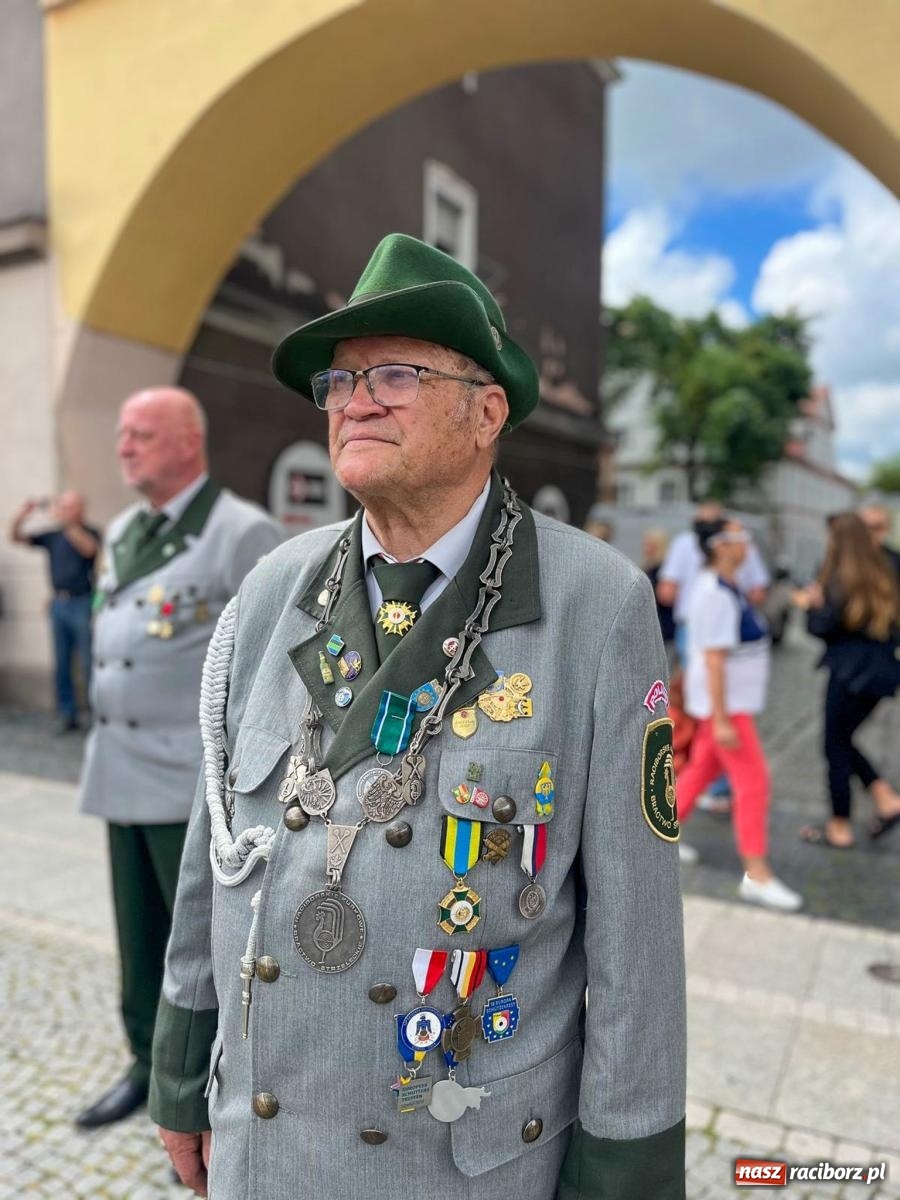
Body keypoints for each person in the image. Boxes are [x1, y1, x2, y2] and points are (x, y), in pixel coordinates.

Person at [150, 235, 687, 1200]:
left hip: (454, 1162)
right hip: (264, 1143)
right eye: (341, 378)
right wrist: (183, 1076)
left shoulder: (595, 606)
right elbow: (213, 857)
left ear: (487, 413)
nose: (356, 396)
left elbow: (637, 939)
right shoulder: (272, 589)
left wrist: (625, 1174)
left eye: (396, 371)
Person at [74, 388, 283, 1130]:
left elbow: (267, 669)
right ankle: (146, 1064)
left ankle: (207, 1085)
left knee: (197, 946)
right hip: (120, 763)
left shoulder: (239, 532)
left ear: (188, 442)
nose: (124, 446)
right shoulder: (128, 528)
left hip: (191, 787)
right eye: (123, 433)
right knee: (137, 937)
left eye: (141, 434)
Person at [675, 516, 802, 911]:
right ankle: (756, 874)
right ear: (719, 546)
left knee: (699, 772)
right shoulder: (714, 592)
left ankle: (657, 837)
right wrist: (723, 717)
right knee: (754, 784)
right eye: (738, 538)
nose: (746, 543)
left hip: (730, 706)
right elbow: (713, 660)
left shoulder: (731, 587)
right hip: (727, 709)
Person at [794, 513, 900, 849]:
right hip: (880, 671)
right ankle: (884, 797)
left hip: (849, 673)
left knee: (834, 746)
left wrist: (810, 605)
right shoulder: (884, 571)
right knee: (842, 740)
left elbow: (822, 628)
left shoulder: (839, 577)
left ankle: (840, 825)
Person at [10, 492, 100, 732]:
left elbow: (89, 550)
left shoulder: (88, 532)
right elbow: (16, 537)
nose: (63, 510)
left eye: (69, 507)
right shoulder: (53, 536)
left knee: (88, 662)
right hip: (58, 604)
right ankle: (66, 713)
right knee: (61, 663)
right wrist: (22, 515)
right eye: (63, 506)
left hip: (82, 602)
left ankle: (94, 714)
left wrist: (66, 522)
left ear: (80, 510)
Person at [642, 528, 676, 658]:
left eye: (650, 545)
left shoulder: (663, 570)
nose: (646, 549)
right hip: (655, 630)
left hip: (665, 630)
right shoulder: (649, 567)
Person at [859, 502, 900, 577]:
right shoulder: (848, 559)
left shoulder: (895, 560)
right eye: (868, 527)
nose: (871, 532)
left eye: (878, 527)